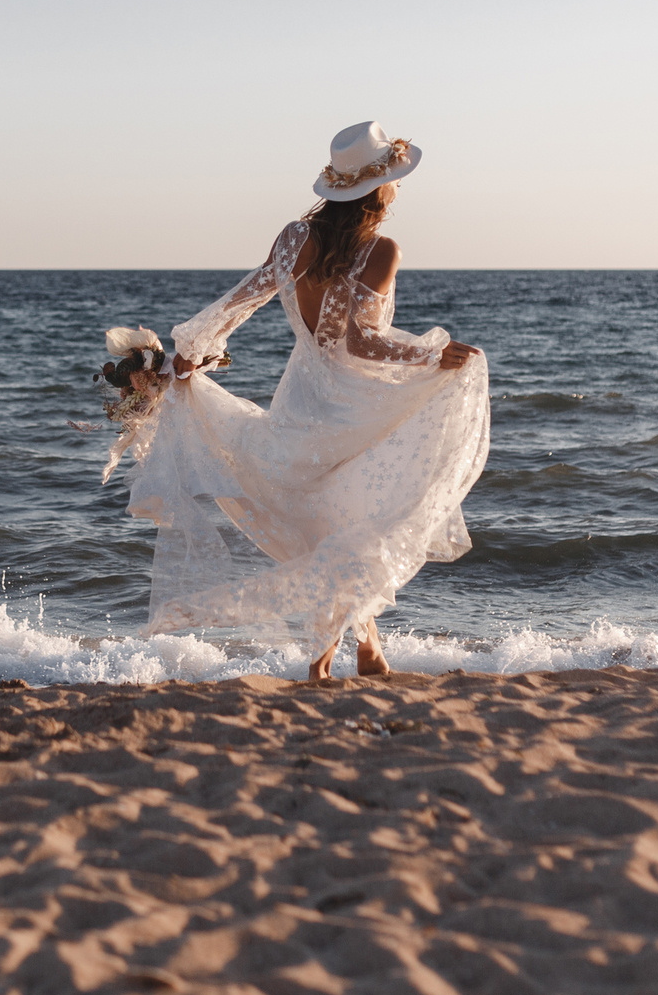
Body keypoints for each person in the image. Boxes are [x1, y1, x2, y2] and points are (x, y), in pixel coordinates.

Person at [119, 121, 489, 679]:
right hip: (352, 405)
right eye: (392, 181)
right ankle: (321, 661)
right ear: (377, 190)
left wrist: (193, 351)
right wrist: (431, 356)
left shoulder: (295, 237)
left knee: (335, 526)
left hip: (300, 397)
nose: (394, 193)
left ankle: (369, 653)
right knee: (358, 527)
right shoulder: (382, 249)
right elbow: (358, 340)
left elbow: (244, 299)